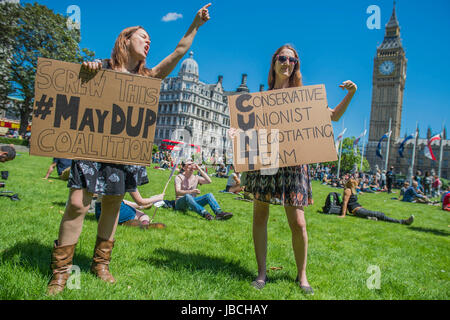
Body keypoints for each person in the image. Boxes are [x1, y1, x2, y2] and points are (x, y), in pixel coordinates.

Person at [47, 3, 212, 295]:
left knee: (111, 204)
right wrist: (89, 68)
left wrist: (195, 25)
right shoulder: (101, 69)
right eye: (143, 36)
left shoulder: (148, 79)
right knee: (76, 204)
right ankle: (61, 272)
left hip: (123, 149)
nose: (148, 41)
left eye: (150, 39)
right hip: (92, 145)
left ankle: (101, 264)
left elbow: (177, 53)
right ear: (126, 40)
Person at [235, 44, 357, 294]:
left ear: (296, 65)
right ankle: (261, 273)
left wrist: (351, 94)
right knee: (260, 215)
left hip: (294, 162)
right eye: (282, 58)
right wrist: (240, 145)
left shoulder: (303, 97)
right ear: (274, 62)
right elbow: (247, 133)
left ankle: (302, 277)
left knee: (298, 222)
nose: (286, 63)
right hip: (267, 160)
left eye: (291, 60)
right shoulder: (262, 98)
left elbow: (333, 116)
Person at [340, 178, 414, 225]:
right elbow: (345, 203)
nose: (356, 186)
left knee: (378, 215)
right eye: (355, 184)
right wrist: (343, 214)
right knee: (380, 215)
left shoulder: (352, 190)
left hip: (359, 209)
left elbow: (352, 202)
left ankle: (369, 218)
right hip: (357, 211)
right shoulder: (348, 190)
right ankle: (402, 222)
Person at [95, 190, 164, 229]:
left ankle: (128, 222)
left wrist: (142, 206)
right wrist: (158, 198)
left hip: (99, 212)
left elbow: (123, 202)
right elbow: (140, 201)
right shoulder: (126, 175)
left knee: (130, 209)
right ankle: (145, 225)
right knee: (143, 215)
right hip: (115, 209)